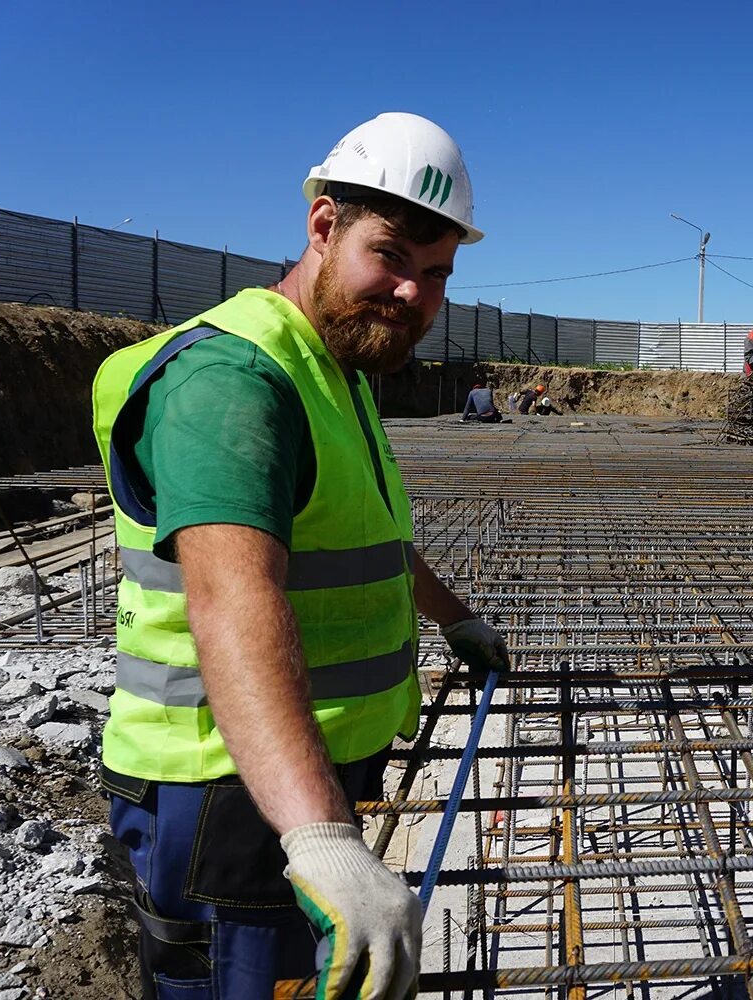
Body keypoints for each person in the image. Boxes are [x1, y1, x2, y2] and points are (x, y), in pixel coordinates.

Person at [90, 113, 513, 999]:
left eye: (436, 274)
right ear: (322, 226)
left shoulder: (338, 367)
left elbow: (366, 541)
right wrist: (322, 838)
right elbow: (231, 596)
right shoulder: (234, 382)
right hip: (227, 794)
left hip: (298, 770)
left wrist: (454, 617)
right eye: (390, 256)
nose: (413, 295)